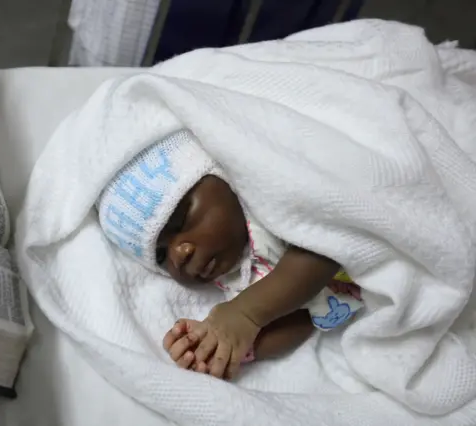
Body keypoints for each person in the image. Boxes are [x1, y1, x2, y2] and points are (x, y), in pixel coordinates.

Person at [97, 129, 363, 380]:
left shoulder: (268, 200)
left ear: (220, 176)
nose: (180, 254)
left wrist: (247, 313)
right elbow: (304, 318)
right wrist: (226, 345)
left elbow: (323, 249)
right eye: (161, 256)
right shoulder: (237, 287)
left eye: (179, 222)